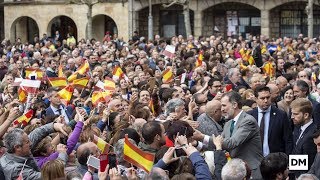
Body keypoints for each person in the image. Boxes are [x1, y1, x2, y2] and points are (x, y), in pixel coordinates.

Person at [217, 91, 263, 179]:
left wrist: (203, 137)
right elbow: (221, 142)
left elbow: (231, 143)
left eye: (224, 105)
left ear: (234, 105)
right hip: (236, 173)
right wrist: (198, 143)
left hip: (251, 172)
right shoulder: (228, 124)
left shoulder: (248, 121)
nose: (222, 109)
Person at [0, 122, 66, 180]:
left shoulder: (21, 148)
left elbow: (36, 133)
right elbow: (47, 177)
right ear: (17, 147)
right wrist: (62, 154)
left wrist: (54, 126)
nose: (31, 143)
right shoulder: (15, 170)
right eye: (28, 142)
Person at [247, 85, 293, 156]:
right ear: (256, 99)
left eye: (268, 97)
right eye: (262, 98)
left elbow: (288, 139)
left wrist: (288, 159)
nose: (266, 101)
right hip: (255, 159)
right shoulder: (250, 116)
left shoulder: (281, 115)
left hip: (276, 159)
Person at [291, 98, 318, 178]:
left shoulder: (313, 134)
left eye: (295, 114)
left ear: (306, 115)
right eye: (292, 113)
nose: (292, 117)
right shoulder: (298, 128)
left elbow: (309, 163)